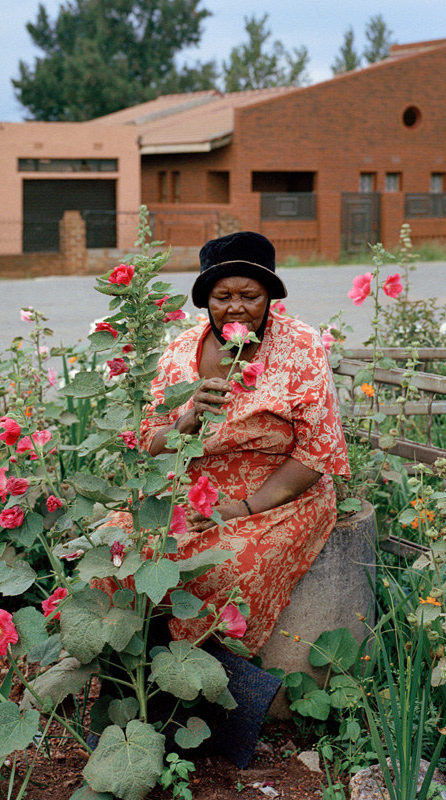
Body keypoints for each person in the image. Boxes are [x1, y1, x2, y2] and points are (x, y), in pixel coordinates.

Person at [137, 231, 349, 655]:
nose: (236, 307)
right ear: (206, 301)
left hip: (277, 495)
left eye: (249, 296)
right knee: (123, 548)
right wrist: (187, 420)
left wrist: (243, 509)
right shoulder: (180, 349)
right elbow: (150, 441)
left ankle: (207, 677)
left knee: (227, 567)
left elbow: (318, 451)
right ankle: (137, 669)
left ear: (268, 297)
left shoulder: (300, 345)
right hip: (190, 492)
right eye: (222, 296)